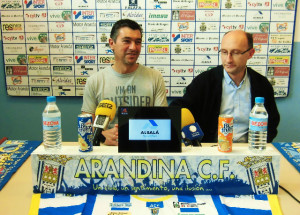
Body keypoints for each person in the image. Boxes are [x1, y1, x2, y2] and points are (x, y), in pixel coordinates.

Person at [170, 30, 280, 143]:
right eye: (224, 52)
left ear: (250, 53)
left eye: (235, 52)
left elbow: (272, 123)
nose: (228, 59)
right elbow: (178, 108)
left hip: (249, 150)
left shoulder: (262, 85)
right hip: (212, 150)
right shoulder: (204, 82)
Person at [81, 19, 168, 146]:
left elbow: (162, 122)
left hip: (144, 147)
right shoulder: (95, 81)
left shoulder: (155, 77)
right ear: (112, 43)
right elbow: (85, 125)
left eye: (138, 42)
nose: (133, 47)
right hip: (106, 151)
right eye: (127, 41)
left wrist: (132, 132)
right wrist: (101, 135)